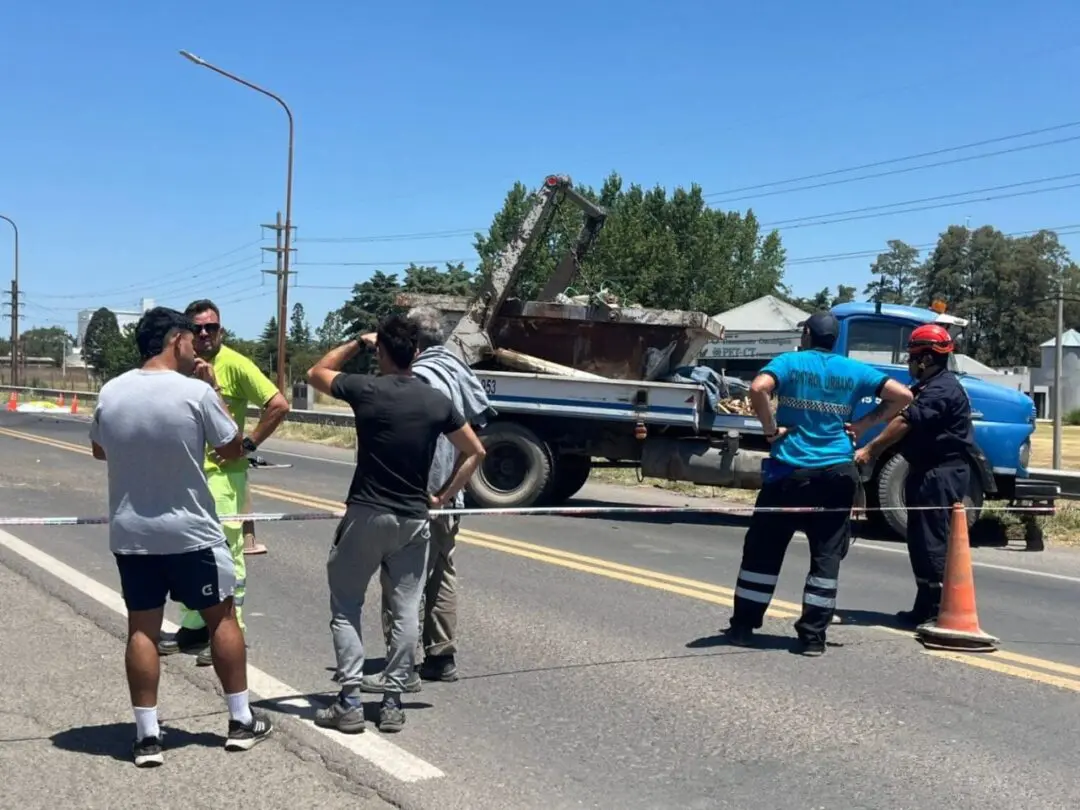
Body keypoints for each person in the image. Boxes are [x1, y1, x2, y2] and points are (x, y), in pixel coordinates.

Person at [89, 307, 273, 767]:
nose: (197, 345)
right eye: (192, 337)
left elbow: (99, 448)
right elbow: (231, 448)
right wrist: (213, 390)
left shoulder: (112, 391)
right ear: (176, 341)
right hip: (192, 532)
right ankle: (240, 720)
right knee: (223, 620)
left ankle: (148, 736)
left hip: (133, 532)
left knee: (142, 629)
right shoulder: (195, 391)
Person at [305, 314, 486, 734]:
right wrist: (441, 496)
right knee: (406, 611)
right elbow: (475, 451)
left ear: (383, 351)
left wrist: (357, 342)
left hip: (367, 513)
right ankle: (391, 703)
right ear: (418, 354)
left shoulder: (367, 389)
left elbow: (317, 372)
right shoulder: (436, 401)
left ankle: (349, 701)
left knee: (347, 607)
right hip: (413, 519)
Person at [724, 311, 913, 655]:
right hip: (837, 472)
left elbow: (758, 388)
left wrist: (769, 430)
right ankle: (812, 637)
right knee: (826, 556)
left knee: (763, 549)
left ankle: (743, 627)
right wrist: (862, 425)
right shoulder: (854, 370)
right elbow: (903, 396)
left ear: (808, 334)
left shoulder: (790, 363)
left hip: (789, 471)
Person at [358, 306, 495, 694]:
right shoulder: (456, 369)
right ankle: (441, 655)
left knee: (401, 581)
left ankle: (401, 669)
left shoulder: (416, 377)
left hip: (416, 495)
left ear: (410, 342)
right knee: (442, 571)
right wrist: (450, 491)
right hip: (451, 492)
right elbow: (479, 427)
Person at [157, 299, 290, 667]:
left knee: (225, 554)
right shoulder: (176, 365)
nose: (204, 335)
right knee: (186, 551)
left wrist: (247, 446)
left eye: (210, 328)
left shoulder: (234, 363)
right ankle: (194, 626)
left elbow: (279, 404)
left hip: (221, 478)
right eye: (197, 328)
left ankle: (233, 630)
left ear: (220, 331)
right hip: (183, 475)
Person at [854, 323, 973, 627]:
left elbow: (906, 421)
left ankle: (937, 609)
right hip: (925, 471)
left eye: (912, 356)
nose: (909, 363)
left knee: (933, 541)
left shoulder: (942, 389)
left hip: (941, 473)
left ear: (927, 359)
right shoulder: (925, 387)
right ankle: (924, 605)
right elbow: (895, 408)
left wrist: (871, 449)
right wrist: (862, 425)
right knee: (919, 541)